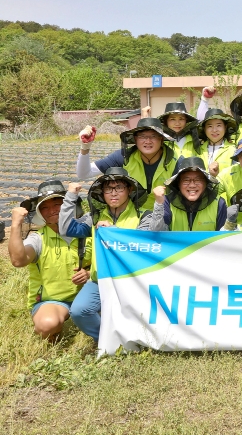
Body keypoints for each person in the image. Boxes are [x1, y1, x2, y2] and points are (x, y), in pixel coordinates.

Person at [59, 168, 160, 342]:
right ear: (102, 193)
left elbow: (145, 243)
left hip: (133, 280)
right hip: (100, 280)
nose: (113, 193)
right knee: (79, 311)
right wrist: (70, 196)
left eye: (119, 187)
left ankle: (140, 340)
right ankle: (109, 339)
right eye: (108, 189)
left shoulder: (143, 216)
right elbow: (65, 229)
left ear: (129, 190)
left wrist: (113, 231)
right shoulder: (94, 217)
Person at [8, 181, 92, 341]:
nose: (52, 211)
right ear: (39, 213)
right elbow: (18, 261)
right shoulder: (38, 238)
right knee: (47, 325)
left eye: (57, 204)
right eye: (44, 207)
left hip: (89, 295)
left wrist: (88, 273)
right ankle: (55, 326)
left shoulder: (87, 230)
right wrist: (15, 224)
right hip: (52, 300)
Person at [76, 117, 177, 211]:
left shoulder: (175, 161)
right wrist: (85, 147)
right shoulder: (124, 157)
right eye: (142, 136)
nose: (148, 141)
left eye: (153, 136)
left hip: (165, 218)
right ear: (135, 139)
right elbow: (84, 173)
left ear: (162, 139)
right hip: (132, 219)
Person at [153, 157, 227, 231]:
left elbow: (224, 238)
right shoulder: (167, 201)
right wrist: (159, 205)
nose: (192, 185)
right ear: (178, 184)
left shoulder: (219, 204)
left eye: (198, 180)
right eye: (186, 180)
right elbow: (157, 232)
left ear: (206, 182)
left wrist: (230, 224)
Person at [196, 108, 238, 177]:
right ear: (204, 129)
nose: (214, 130)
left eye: (219, 125)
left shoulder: (233, 151)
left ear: (225, 127)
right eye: (210, 126)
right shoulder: (198, 151)